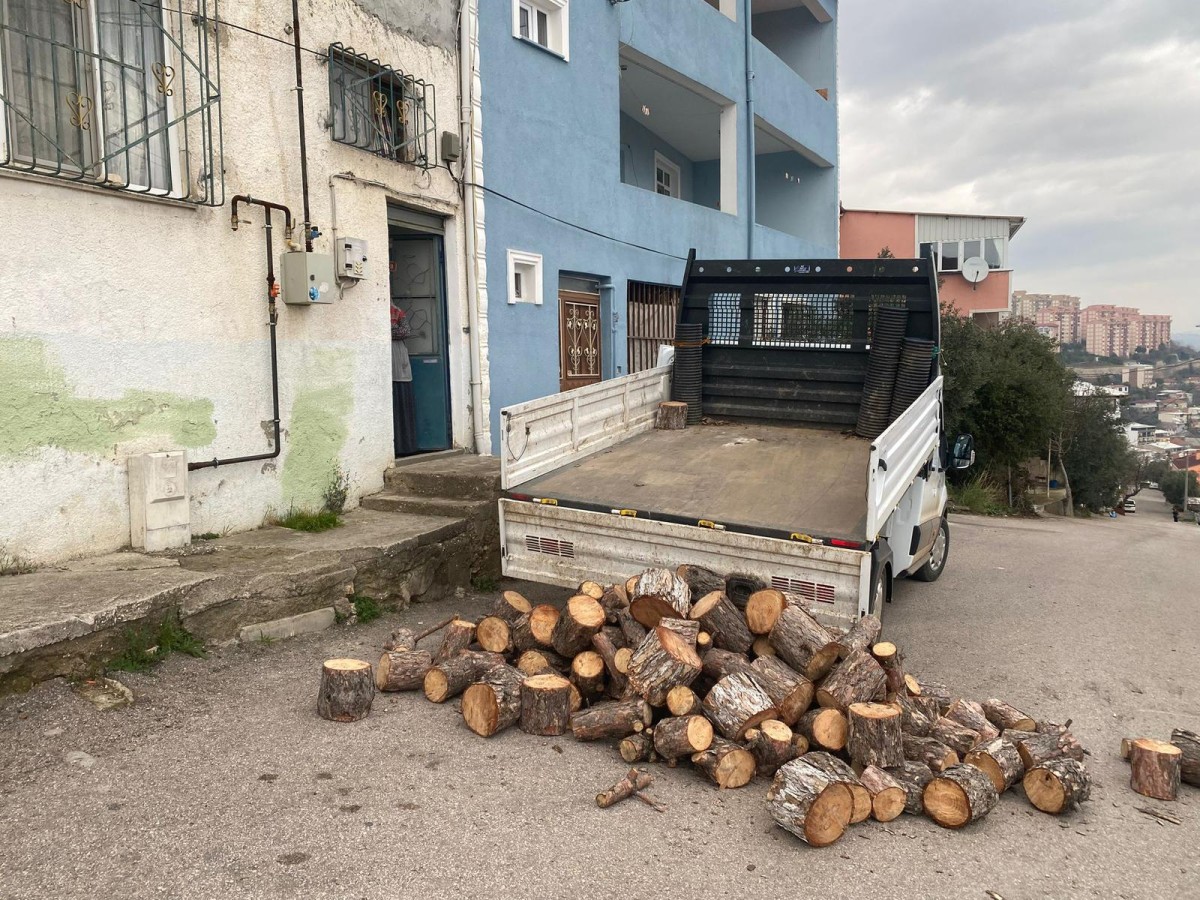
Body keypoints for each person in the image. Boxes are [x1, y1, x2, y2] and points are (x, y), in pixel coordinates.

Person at [391, 305, 418, 456]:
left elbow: (405, 331)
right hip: (387, 359)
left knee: (402, 400)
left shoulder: (397, 311)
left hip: (399, 359)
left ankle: (405, 447)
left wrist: (389, 330)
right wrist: (393, 330)